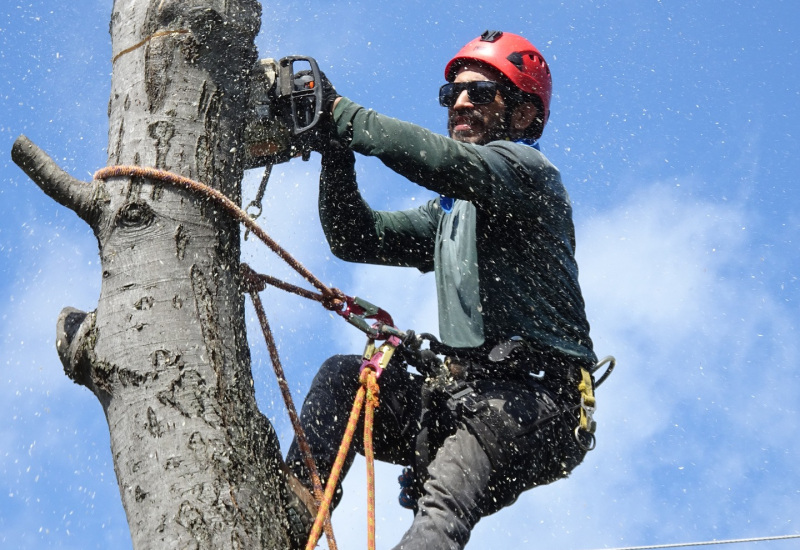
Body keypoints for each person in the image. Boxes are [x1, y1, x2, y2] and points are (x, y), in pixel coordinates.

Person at [284, 30, 598, 550]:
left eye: (480, 93)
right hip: (467, 398)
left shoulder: (527, 174)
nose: (461, 102)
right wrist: (335, 151)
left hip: (536, 400)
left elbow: (441, 161)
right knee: (343, 380)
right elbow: (354, 236)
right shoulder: (450, 214)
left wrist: (340, 113)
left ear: (521, 115)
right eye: (452, 94)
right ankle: (294, 514)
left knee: (441, 513)